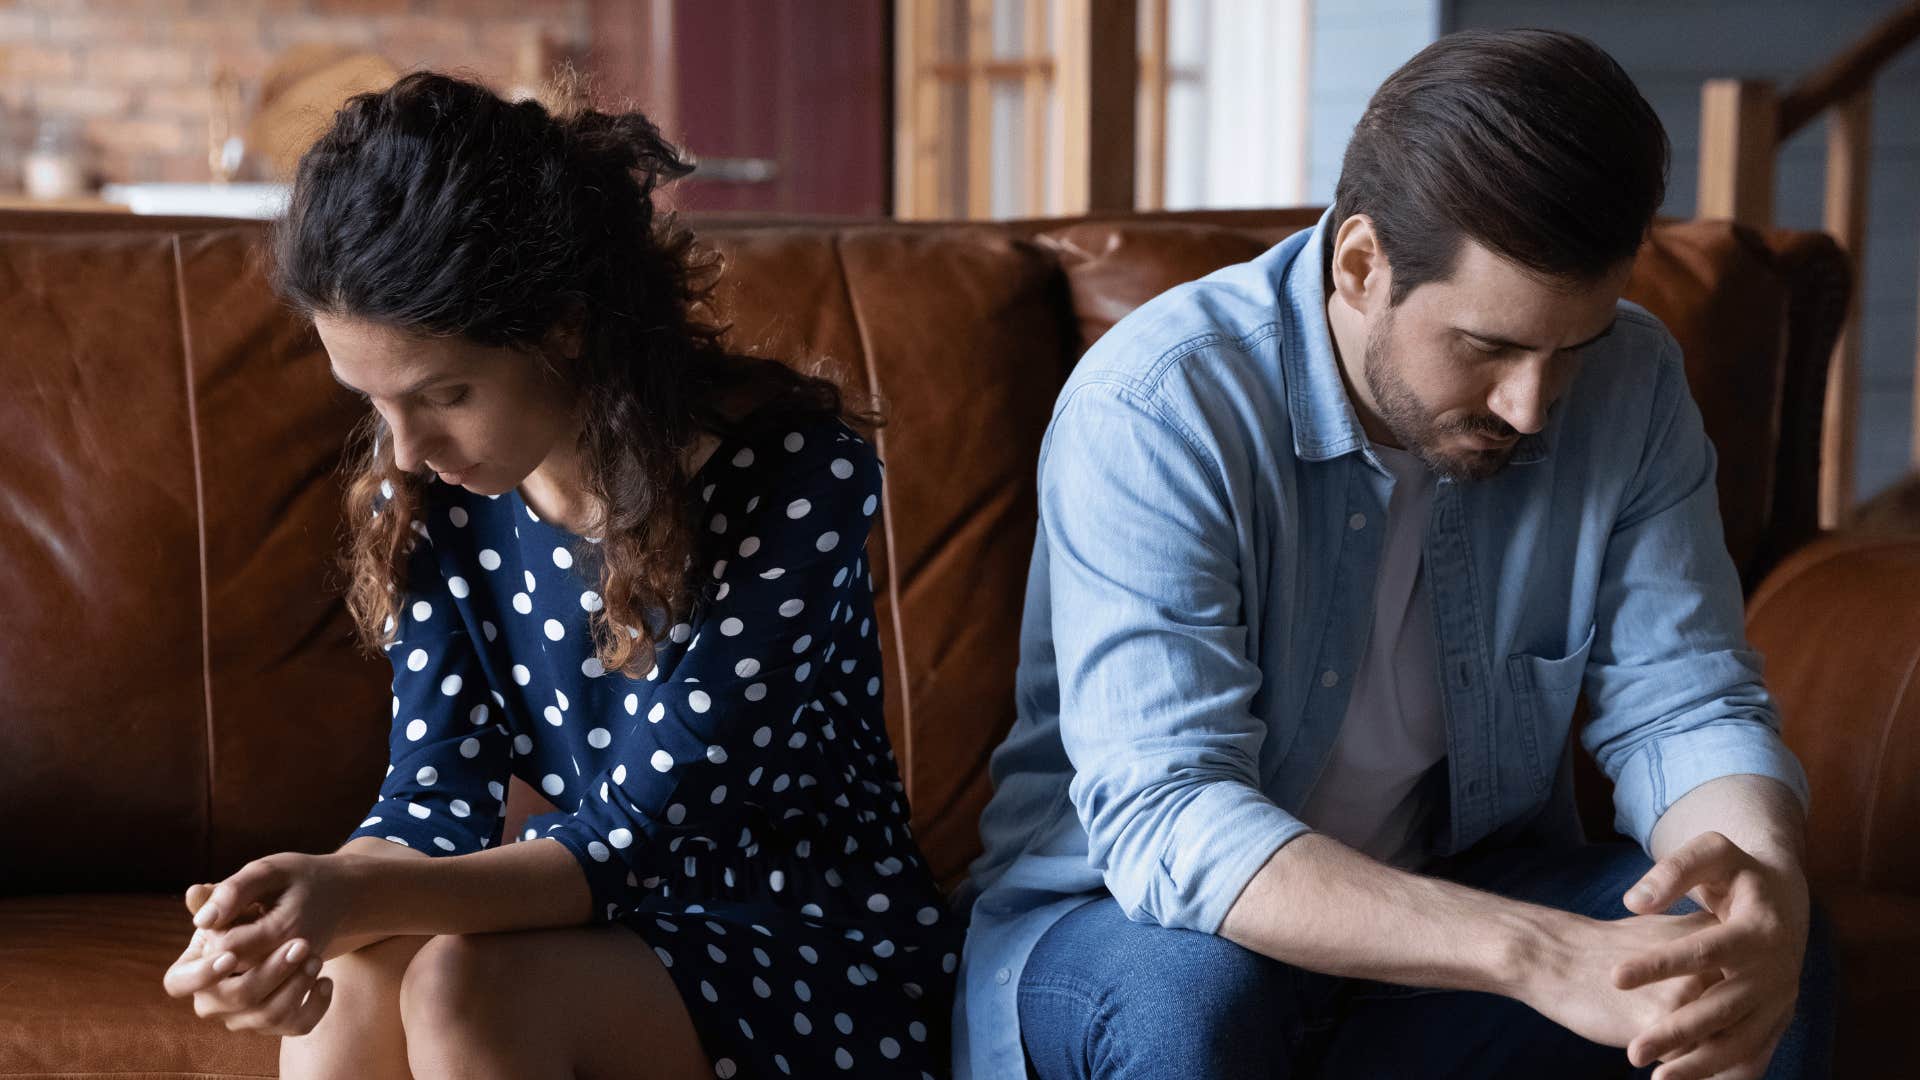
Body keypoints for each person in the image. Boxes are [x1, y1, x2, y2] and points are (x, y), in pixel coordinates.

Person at [955, 28, 1835, 1080]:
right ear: (1362, 264)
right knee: (1191, 1002)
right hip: (1132, 931)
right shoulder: (1161, 404)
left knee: (1748, 964)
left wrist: (1760, 888)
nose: (1532, 404)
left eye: (1571, 348)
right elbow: (1172, 817)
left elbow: (1685, 704)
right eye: (1490, 346)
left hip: (1454, 908)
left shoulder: (1632, 381)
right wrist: (1534, 954)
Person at [159, 71, 957, 1080]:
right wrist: (283, 916)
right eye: (372, 401)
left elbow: (640, 845)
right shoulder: (433, 495)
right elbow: (435, 799)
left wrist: (353, 897)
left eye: (445, 393)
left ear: (563, 330)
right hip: (593, 927)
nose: (404, 450)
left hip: (800, 943)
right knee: (353, 980)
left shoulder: (794, 478)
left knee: (462, 985)